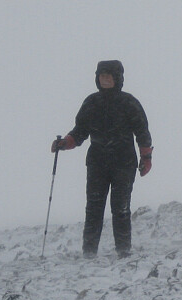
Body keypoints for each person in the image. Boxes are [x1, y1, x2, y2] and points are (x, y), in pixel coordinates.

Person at [52, 60, 152, 259]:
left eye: (109, 75)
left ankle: (123, 251)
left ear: (118, 78)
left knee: (120, 207)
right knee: (94, 207)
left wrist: (146, 157)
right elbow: (80, 131)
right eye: (101, 75)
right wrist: (66, 143)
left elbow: (142, 132)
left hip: (124, 162)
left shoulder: (129, 102)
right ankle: (89, 252)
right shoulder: (91, 102)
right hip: (97, 161)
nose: (105, 79)